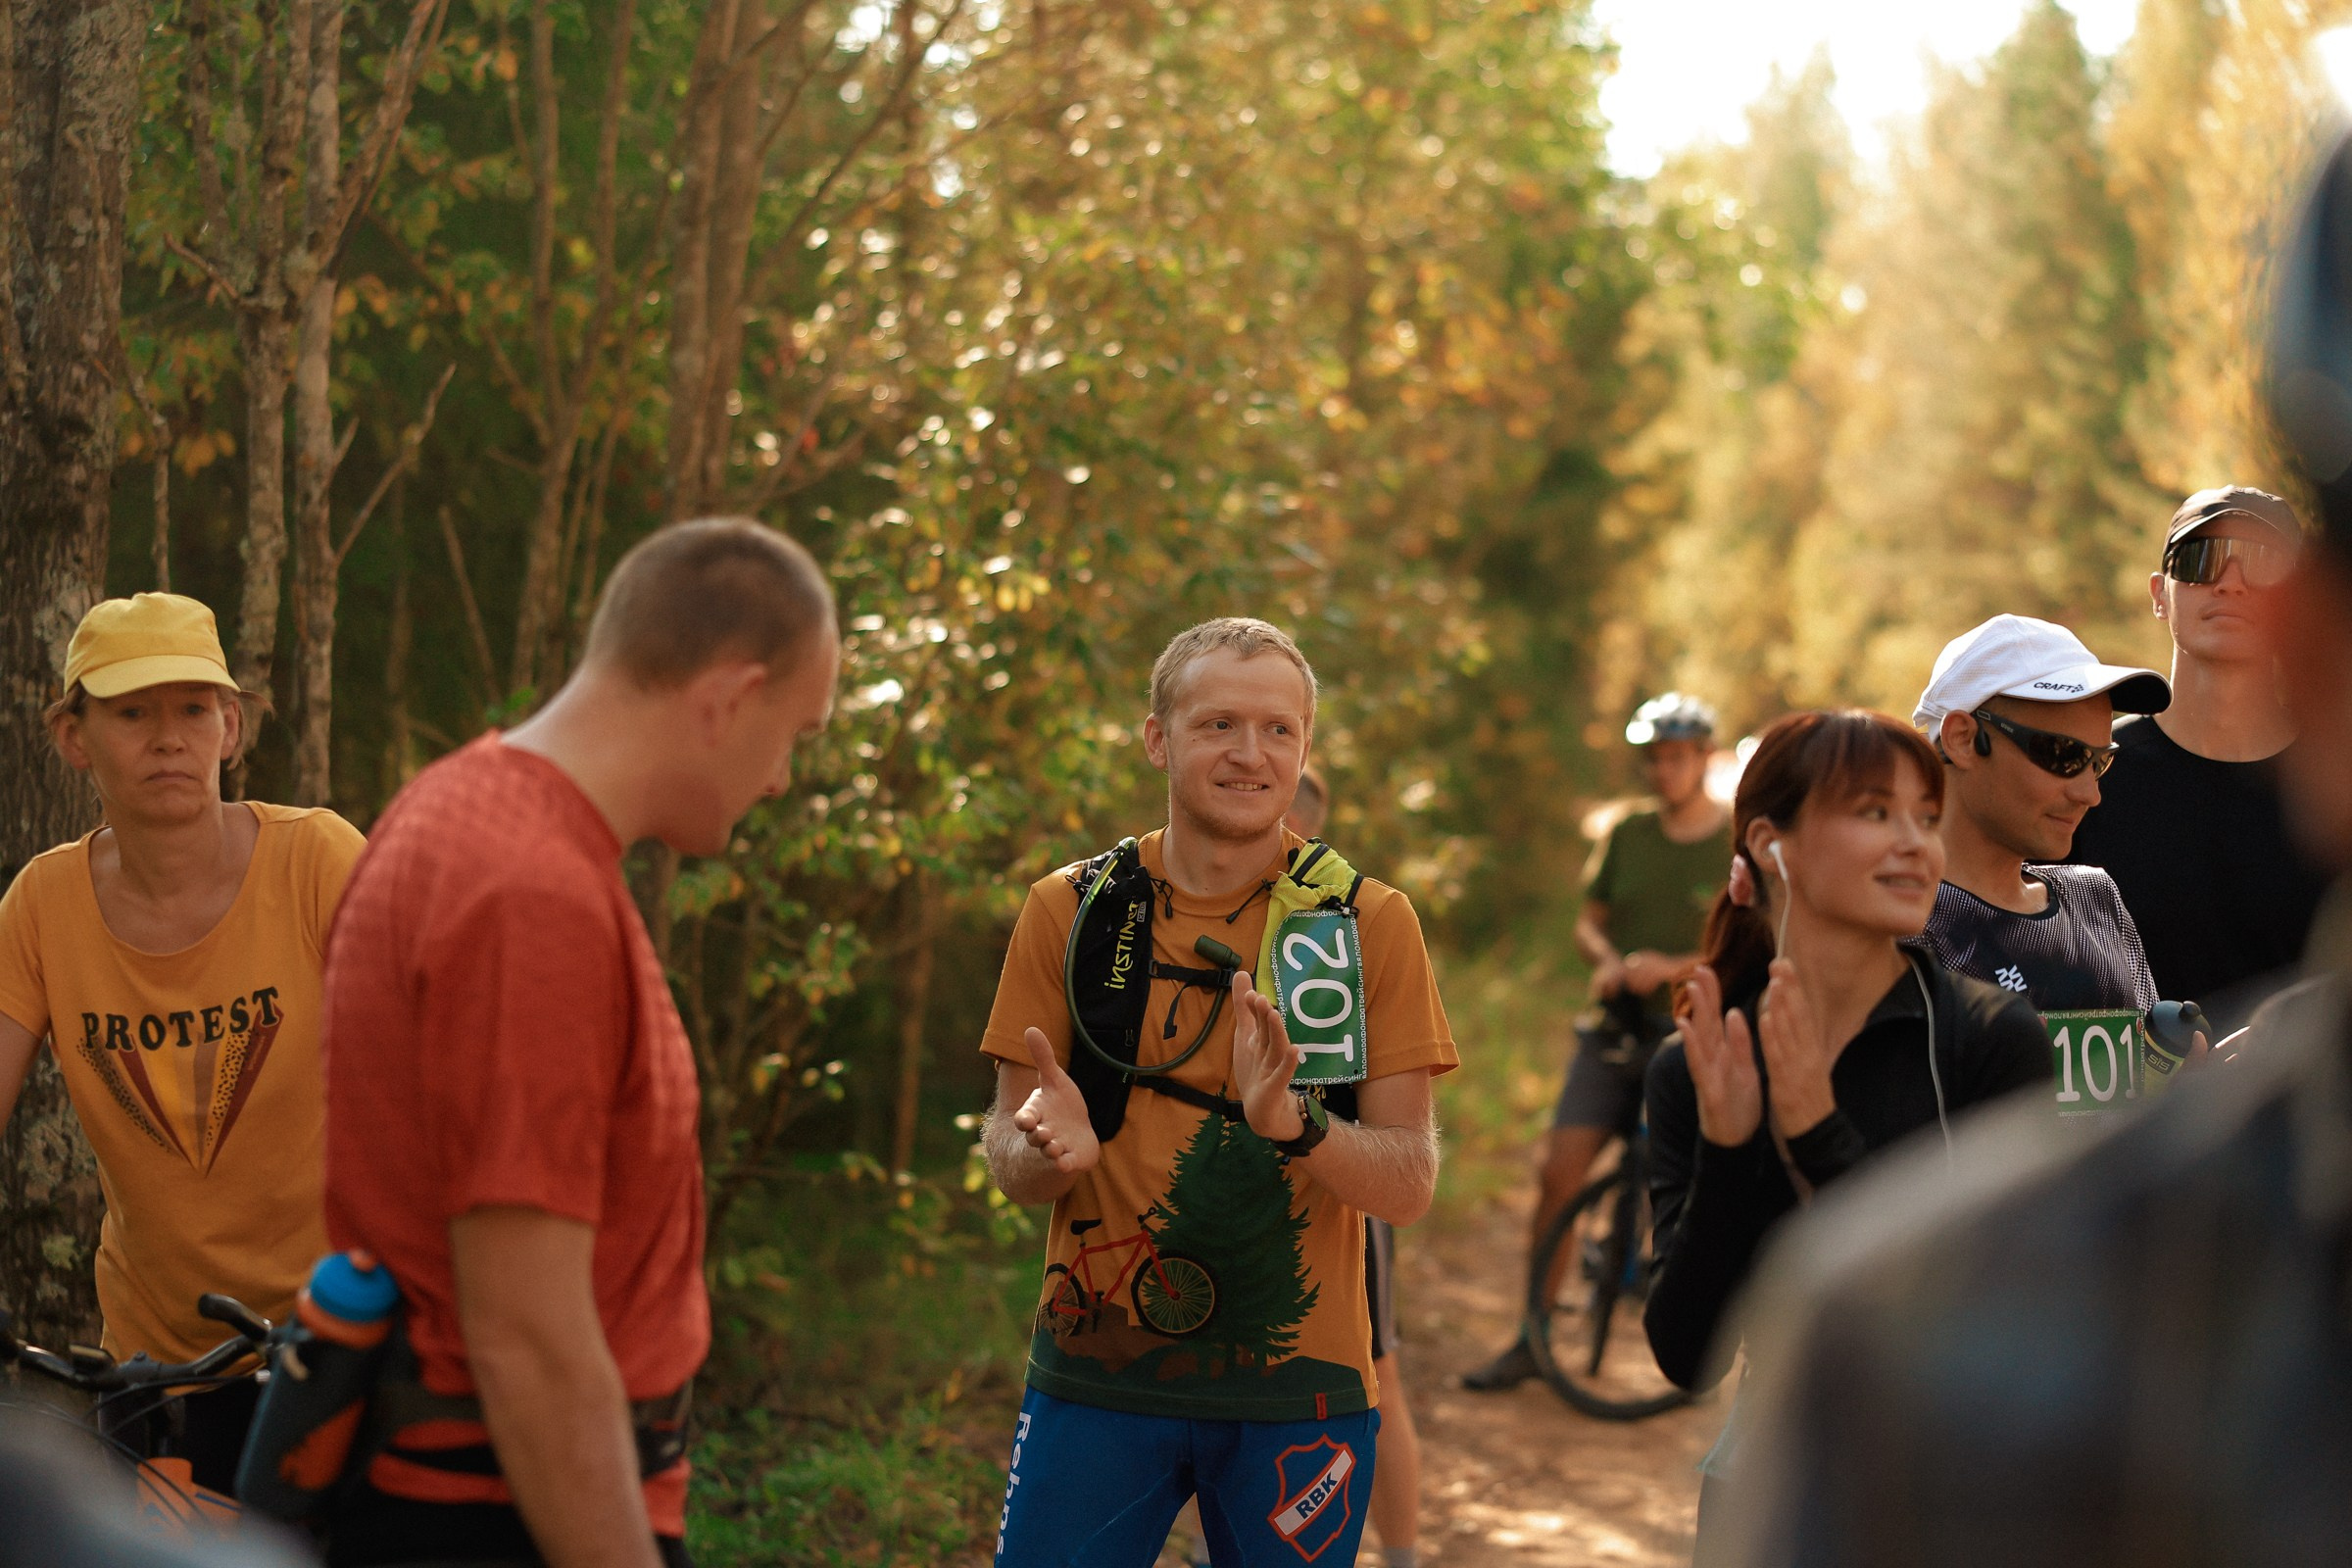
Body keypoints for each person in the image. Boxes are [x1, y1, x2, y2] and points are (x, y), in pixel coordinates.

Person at [1697, 126, 2352, 1566]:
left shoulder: (2091, 904)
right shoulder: (1938, 1342)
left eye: (2095, 755)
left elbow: (2134, 1042)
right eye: (2057, 750)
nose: (2082, 781)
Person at [318, 519, 839, 1568]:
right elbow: (531, 1342)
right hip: (494, 1517)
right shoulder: (529, 895)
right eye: (797, 731)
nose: (783, 776)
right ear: (728, 699)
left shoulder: (454, 807)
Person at [981, 617, 1457, 1567]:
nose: (1252, 754)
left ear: (1306, 747)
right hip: (1094, 1380)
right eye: (1219, 725)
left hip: (1298, 1398)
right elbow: (1007, 1144)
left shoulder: (1368, 923)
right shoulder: (1070, 911)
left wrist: (1297, 1125)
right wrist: (1036, 1149)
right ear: (1159, 738)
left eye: (1279, 730)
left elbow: (1407, 1182)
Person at [1639, 710, 2048, 1561]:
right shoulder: (1700, 1065)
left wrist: (1816, 1131)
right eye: (1874, 813)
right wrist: (1731, 1143)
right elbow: (1687, 1355)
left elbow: (1997, 1321)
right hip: (1769, 1487)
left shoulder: (1990, 1040)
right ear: (1769, 844)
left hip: (1958, 1497)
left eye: (1926, 818)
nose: (1915, 844)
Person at [0, 593, 366, 1494]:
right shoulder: (42, 908)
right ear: (72, 737)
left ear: (231, 726)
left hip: (337, 1340)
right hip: (156, 1366)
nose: (169, 738)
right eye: (132, 713)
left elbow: (431, 1072)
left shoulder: (317, 861)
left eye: (193, 710)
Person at [1465, 692, 1729, 1392]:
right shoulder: (1628, 834)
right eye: (1653, 759)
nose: (1663, 771)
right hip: (1612, 1028)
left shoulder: (1735, 839)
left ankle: (1701, 1348)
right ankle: (1533, 1334)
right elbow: (1588, 921)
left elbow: (1746, 943)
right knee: (1560, 1173)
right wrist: (1608, 959)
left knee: (1704, 1187)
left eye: (1676, 758)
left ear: (1704, 758)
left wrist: (1673, 967)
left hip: (1691, 1033)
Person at [2066, 486, 2332, 1031]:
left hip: (2314, 1108)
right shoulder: (2082, 776)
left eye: (2263, 563)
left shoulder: (2335, 786)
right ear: (2160, 593)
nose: (2230, 582)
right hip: (2130, 1113)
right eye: (2201, 559)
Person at [1911, 615, 2169, 1019]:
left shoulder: (2094, 901)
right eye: (2063, 755)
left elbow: (2140, 1078)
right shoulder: (1894, 918)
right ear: (1961, 739)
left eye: (2100, 762)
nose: (2090, 794)